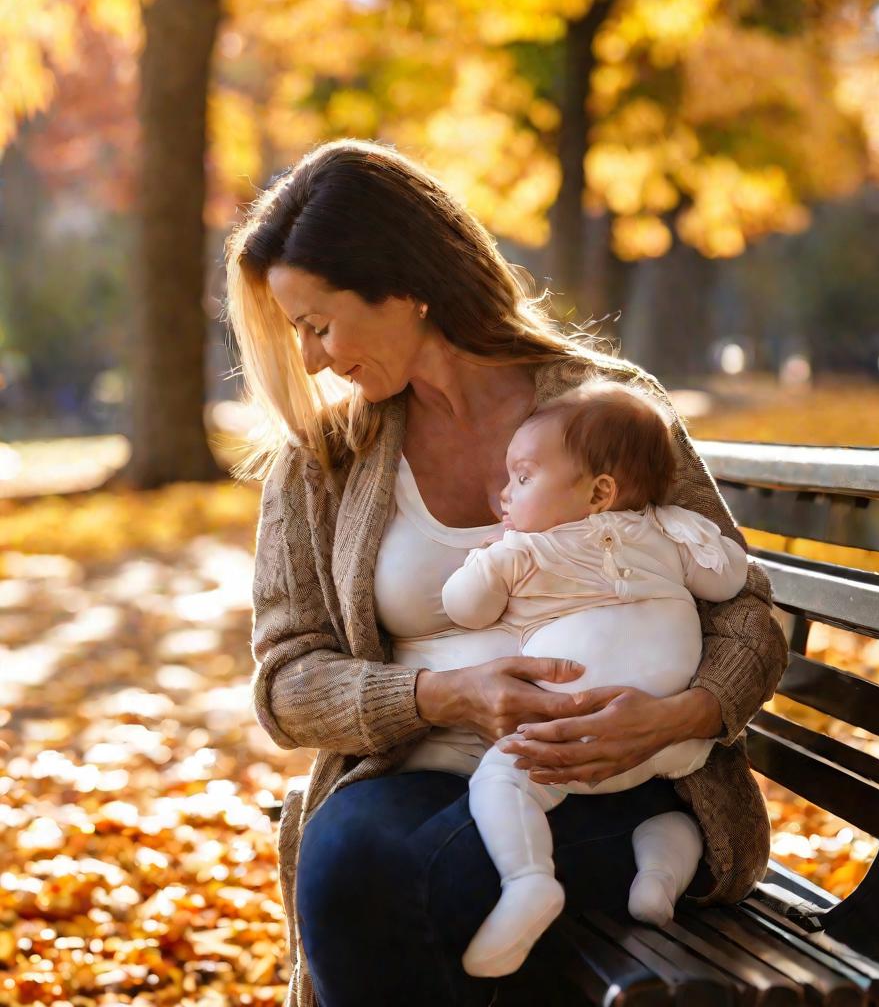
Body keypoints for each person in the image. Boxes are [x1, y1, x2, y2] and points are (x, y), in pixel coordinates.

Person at [230, 137, 789, 1007]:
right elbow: (286, 684)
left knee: (382, 884)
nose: (310, 361)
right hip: (415, 776)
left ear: (408, 287)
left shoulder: (604, 410)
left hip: (620, 789)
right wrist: (444, 697)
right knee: (352, 856)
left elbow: (746, 612)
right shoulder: (323, 460)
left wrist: (681, 712)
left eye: (320, 325)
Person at [399, 379, 749, 977]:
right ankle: (660, 872)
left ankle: (529, 879)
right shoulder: (664, 530)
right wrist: (693, 534)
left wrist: (487, 558)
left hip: (566, 737)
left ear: (598, 491)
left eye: (522, 478)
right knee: (665, 815)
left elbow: (465, 606)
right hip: (670, 740)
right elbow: (728, 580)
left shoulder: (526, 552)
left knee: (503, 783)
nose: (504, 496)